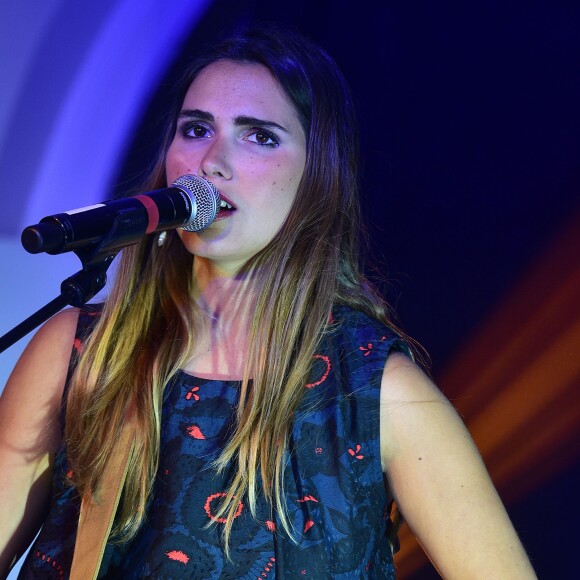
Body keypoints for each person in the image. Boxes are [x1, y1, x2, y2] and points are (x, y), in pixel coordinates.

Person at [0, 26, 536, 579]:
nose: (213, 162)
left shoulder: (376, 394)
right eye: (195, 129)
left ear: (316, 176)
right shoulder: (81, 355)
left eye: (259, 136)